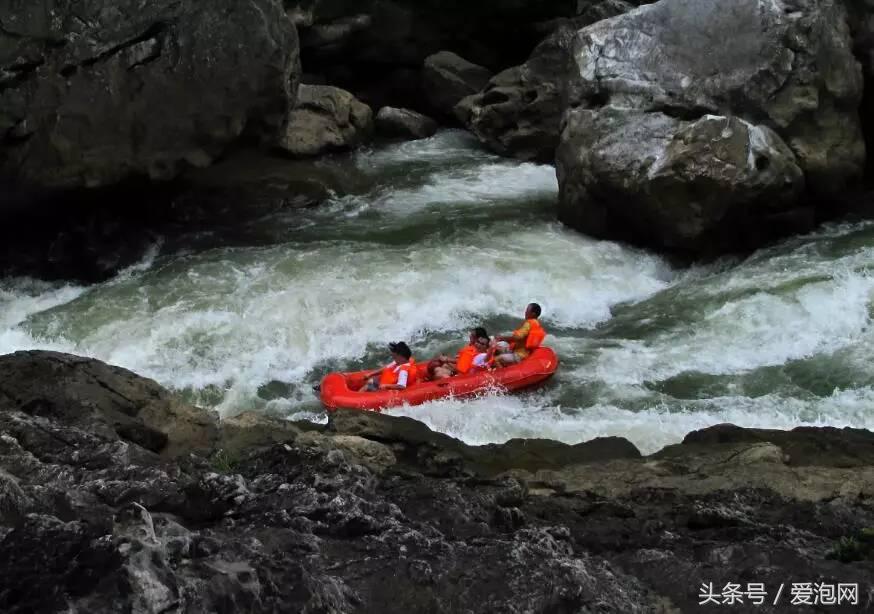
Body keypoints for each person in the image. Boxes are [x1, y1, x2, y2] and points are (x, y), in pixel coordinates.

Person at [493, 303, 547, 367]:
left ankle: (502, 373)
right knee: (497, 347)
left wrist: (502, 338)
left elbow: (518, 337)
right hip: (524, 352)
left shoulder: (528, 324)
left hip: (519, 355)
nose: (525, 312)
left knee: (496, 359)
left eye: (527, 310)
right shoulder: (536, 324)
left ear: (533, 314)